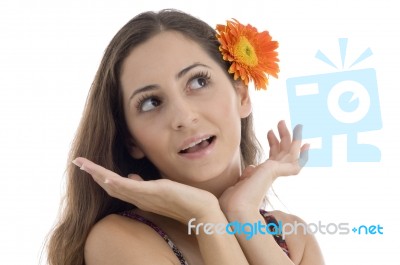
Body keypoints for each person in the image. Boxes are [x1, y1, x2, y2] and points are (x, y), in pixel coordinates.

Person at [46, 9, 324, 265]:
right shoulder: (118, 239)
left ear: (241, 95)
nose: (183, 117)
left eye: (198, 82)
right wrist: (207, 216)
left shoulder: (293, 237)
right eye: (151, 102)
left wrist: (242, 212)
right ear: (131, 141)